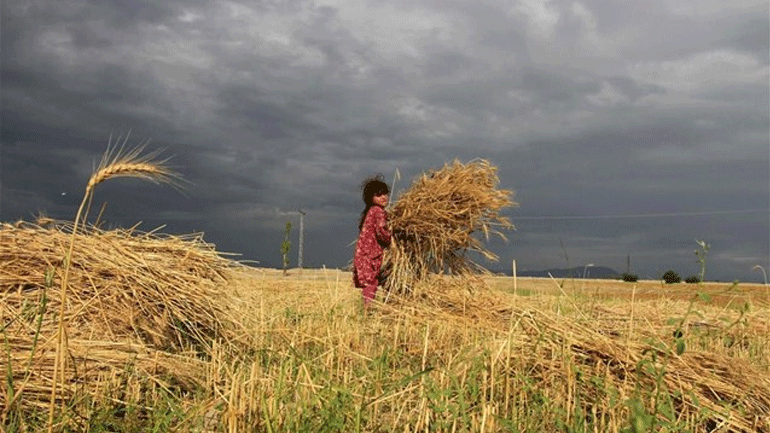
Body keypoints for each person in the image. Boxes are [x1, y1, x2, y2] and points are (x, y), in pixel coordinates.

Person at [353, 175, 392, 308]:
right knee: (372, 283)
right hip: (371, 255)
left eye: (385, 193)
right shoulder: (378, 211)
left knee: (371, 283)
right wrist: (391, 240)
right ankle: (368, 310)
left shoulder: (369, 211)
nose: (383, 197)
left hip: (364, 254)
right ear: (371, 198)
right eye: (378, 194)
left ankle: (369, 308)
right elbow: (382, 231)